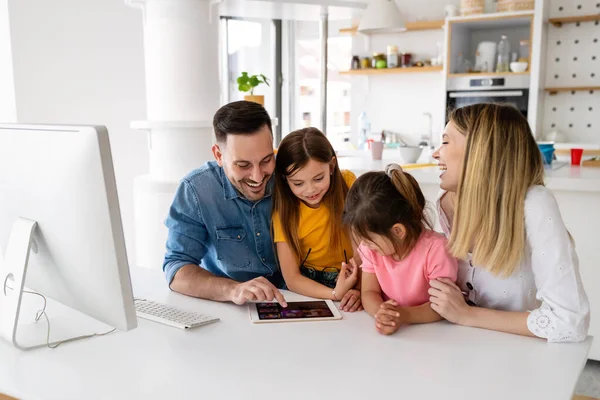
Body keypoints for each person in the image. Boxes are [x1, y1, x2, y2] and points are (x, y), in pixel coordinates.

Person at [429, 103, 590, 342]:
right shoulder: (444, 205)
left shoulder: (534, 204)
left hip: (515, 358)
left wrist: (467, 315)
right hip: (457, 348)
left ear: (480, 151)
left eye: (445, 142)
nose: (435, 153)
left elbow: (569, 321)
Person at [163, 101, 286, 306]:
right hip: (233, 307)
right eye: (243, 165)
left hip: (296, 300)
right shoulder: (196, 190)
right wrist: (233, 289)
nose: (257, 177)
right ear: (219, 155)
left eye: (266, 160)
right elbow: (177, 268)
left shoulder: (291, 176)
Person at [343, 164, 458, 335]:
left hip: (434, 335)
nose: (365, 245)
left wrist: (403, 315)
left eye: (370, 239)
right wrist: (381, 313)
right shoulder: (372, 250)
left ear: (398, 231)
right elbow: (369, 292)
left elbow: (442, 306)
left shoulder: (437, 250)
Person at [271, 127, 361, 312]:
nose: (310, 190)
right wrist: (335, 294)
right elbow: (292, 279)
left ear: (332, 166)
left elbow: (364, 245)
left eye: (318, 178)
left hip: (356, 277)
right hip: (310, 287)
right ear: (285, 180)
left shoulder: (348, 183)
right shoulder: (284, 213)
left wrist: (359, 288)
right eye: (298, 183)